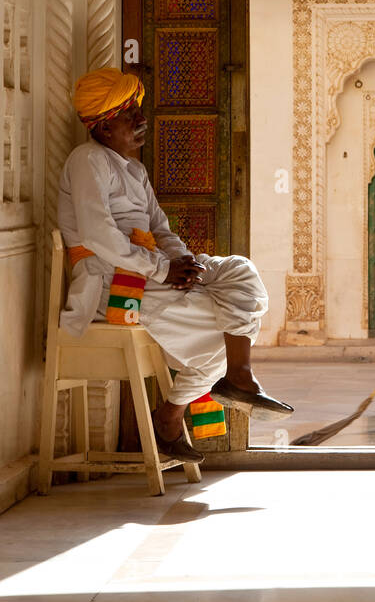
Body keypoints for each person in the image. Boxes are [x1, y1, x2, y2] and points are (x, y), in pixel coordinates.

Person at [56, 67, 293, 464]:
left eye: (136, 109)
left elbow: (160, 229)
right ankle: (175, 414)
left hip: (153, 269)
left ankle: (235, 376)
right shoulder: (87, 161)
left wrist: (182, 262)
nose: (140, 118)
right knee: (224, 328)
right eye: (128, 113)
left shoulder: (134, 169)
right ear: (102, 126)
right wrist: (162, 270)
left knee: (240, 273)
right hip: (112, 284)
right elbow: (98, 236)